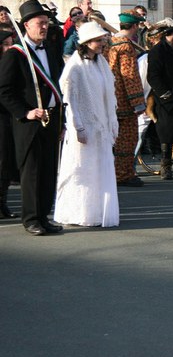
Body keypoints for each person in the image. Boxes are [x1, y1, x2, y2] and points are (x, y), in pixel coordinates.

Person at [0, 0, 65, 236]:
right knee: (32, 173)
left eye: (46, 23)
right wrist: (25, 112)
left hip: (51, 119)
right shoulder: (15, 54)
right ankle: (31, 219)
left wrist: (62, 121)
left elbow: (58, 87)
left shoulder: (51, 50)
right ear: (26, 25)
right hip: (29, 123)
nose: (45, 27)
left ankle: (44, 216)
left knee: (48, 171)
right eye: (40, 23)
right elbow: (4, 92)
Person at [53, 22, 119, 226]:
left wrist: (112, 122)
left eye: (103, 40)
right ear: (87, 42)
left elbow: (109, 94)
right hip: (84, 126)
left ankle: (98, 212)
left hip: (101, 126)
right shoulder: (75, 66)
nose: (102, 44)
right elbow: (70, 99)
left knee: (99, 170)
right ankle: (79, 213)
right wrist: (78, 127)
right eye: (99, 40)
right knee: (83, 171)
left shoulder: (101, 63)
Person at [107, 10, 147, 188]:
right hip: (124, 102)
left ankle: (114, 172)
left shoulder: (110, 43)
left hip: (111, 98)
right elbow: (129, 76)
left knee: (114, 140)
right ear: (134, 26)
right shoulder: (125, 47)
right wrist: (138, 102)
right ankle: (123, 174)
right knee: (127, 139)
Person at [146, 17, 173, 180]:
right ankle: (165, 165)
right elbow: (153, 76)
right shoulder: (157, 51)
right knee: (167, 131)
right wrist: (165, 93)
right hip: (166, 99)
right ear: (170, 34)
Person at [0, 29, 19, 219]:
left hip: (9, 118)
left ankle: (2, 202)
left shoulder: (12, 63)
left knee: (6, 162)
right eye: (4, 45)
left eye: (10, 44)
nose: (8, 48)